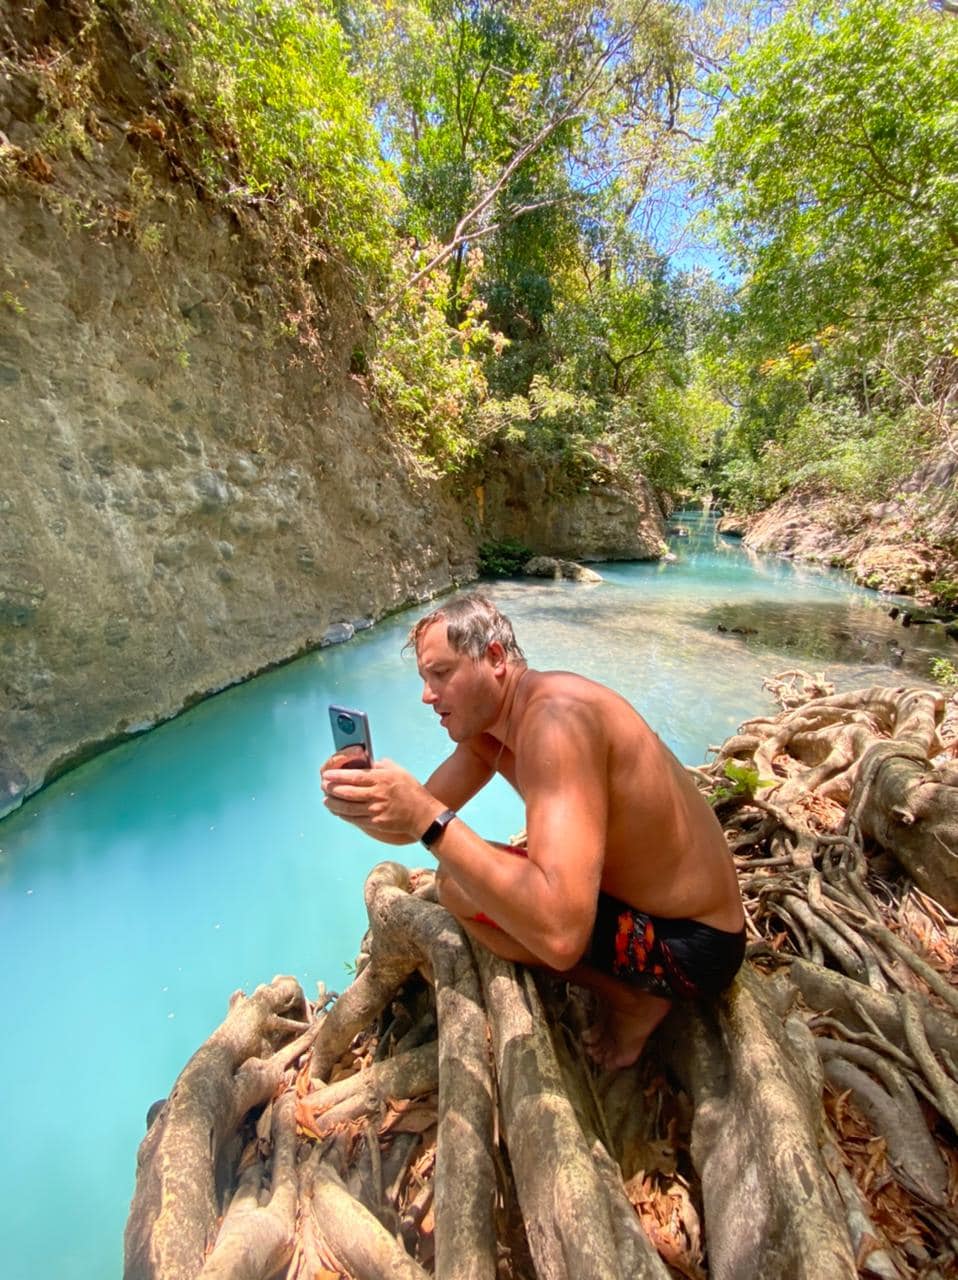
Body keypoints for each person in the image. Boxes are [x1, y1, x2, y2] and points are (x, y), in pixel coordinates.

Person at [321, 592, 745, 1069]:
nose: (427, 695)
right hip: (637, 911)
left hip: (691, 947)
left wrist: (423, 816)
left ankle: (633, 1002)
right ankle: (627, 990)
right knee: (458, 884)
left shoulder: (555, 721)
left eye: (441, 674)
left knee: (465, 884)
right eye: (424, 678)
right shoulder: (489, 731)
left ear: (495, 658)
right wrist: (363, 802)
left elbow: (561, 935)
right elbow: (410, 824)